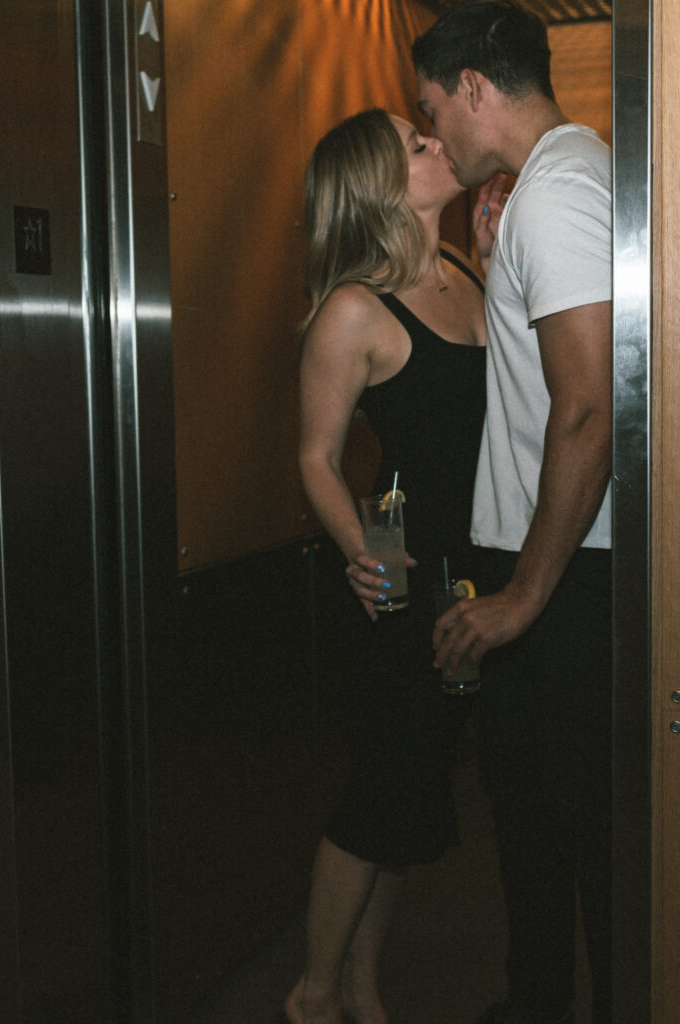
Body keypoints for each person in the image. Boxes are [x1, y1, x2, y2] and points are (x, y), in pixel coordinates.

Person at [412, 4, 613, 1024]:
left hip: (567, 569)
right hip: (547, 554)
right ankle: (532, 1000)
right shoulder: (542, 190)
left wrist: (523, 596)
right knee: (531, 820)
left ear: (474, 91)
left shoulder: (561, 188)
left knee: (582, 827)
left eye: (432, 109)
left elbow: (586, 410)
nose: (434, 131)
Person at [284, 108, 488, 1024]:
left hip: (471, 569)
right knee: (381, 788)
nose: (437, 143)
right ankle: (313, 992)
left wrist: (497, 260)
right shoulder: (354, 309)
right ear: (377, 186)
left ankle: (362, 986)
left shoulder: (463, 273)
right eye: (415, 144)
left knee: (412, 796)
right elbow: (316, 458)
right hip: (402, 571)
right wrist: (362, 556)